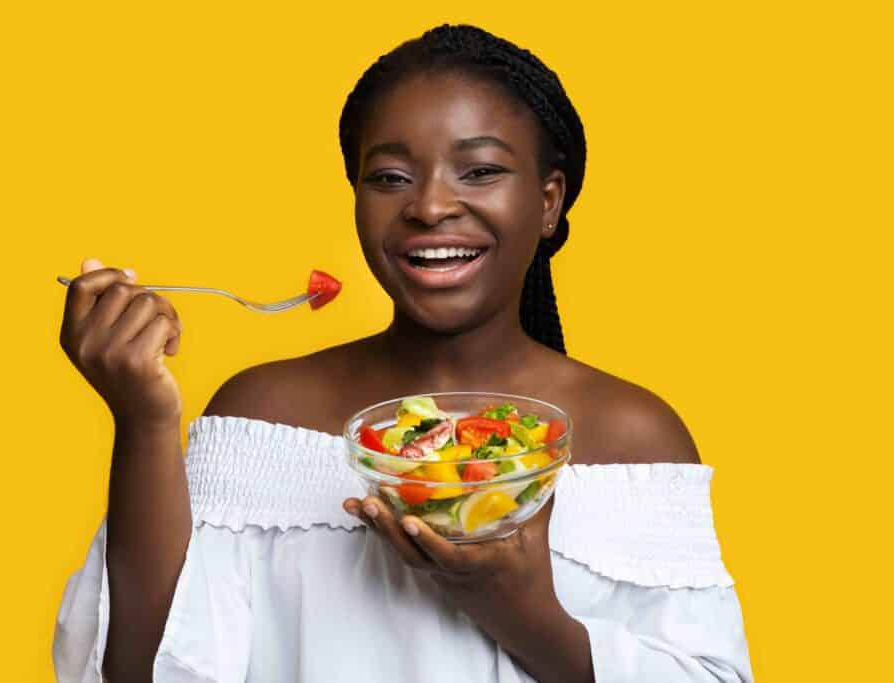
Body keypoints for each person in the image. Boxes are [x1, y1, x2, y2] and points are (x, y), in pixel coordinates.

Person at [53, 23, 752, 683]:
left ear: (548, 201)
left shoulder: (634, 436)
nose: (430, 206)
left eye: (478, 171)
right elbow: (142, 668)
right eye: (390, 177)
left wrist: (524, 612)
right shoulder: (261, 414)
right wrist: (142, 421)